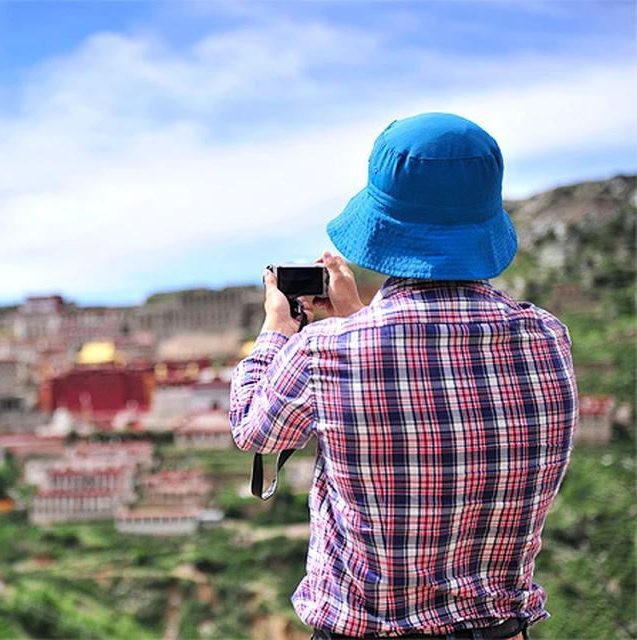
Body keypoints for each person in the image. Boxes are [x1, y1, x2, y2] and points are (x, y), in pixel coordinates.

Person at [229, 112, 578, 640]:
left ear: (381, 228)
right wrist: (356, 316)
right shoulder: (548, 337)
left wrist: (279, 328)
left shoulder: (327, 353)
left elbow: (252, 427)